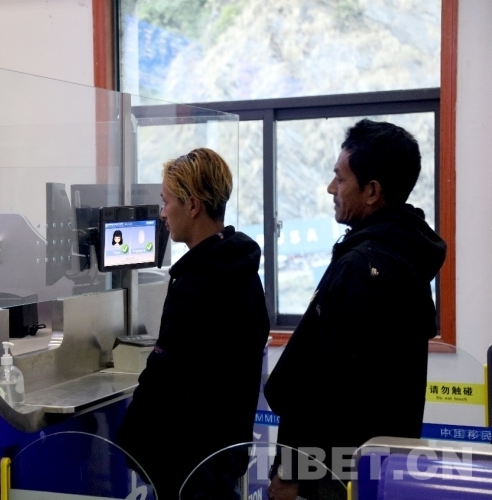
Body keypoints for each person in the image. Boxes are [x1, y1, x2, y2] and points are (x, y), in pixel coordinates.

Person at [264, 119, 447, 500]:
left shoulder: (360, 268)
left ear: (372, 191)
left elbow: (326, 388)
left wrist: (293, 473)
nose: (331, 188)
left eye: (340, 178)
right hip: (382, 467)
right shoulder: (405, 255)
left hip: (333, 475)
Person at [116, 147, 270, 499]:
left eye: (166, 202)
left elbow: (165, 375)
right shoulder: (244, 271)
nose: (162, 213)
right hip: (225, 454)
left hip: (188, 463)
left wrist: (128, 444)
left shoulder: (197, 283)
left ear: (193, 205)